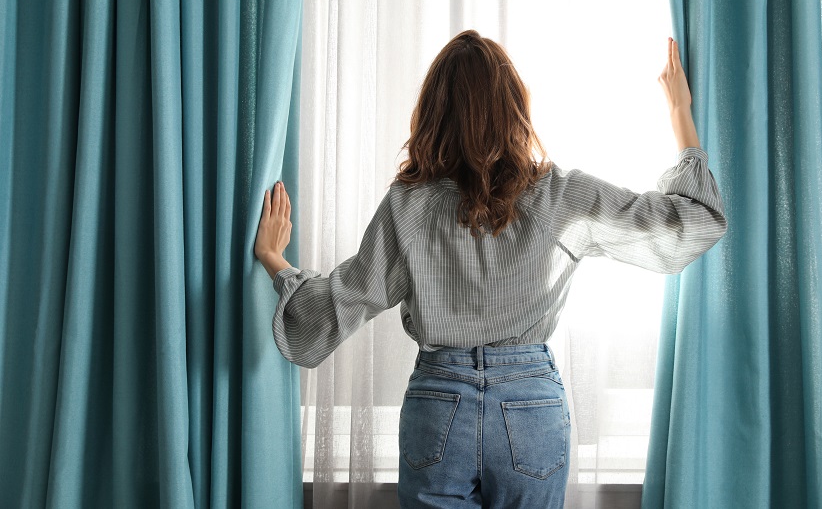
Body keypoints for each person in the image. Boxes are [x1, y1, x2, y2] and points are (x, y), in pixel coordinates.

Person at [254, 29, 727, 508]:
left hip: (438, 406)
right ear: (514, 107)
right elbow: (693, 223)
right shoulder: (559, 195)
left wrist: (276, 263)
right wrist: (678, 112)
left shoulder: (409, 205)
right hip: (530, 406)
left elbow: (329, 314)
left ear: (433, 113)